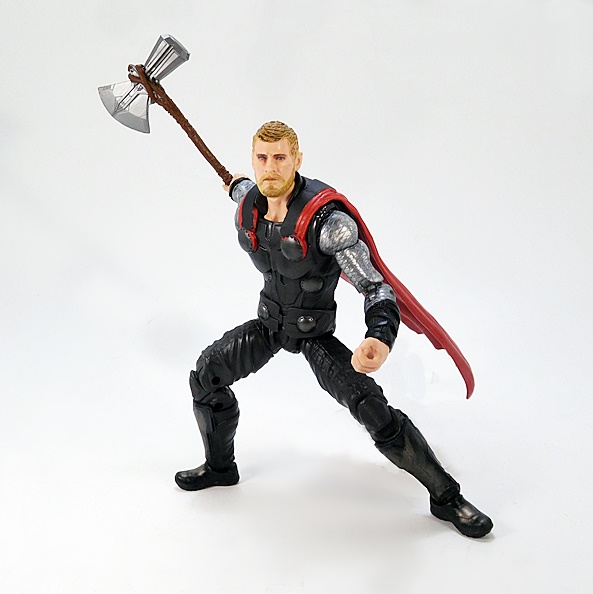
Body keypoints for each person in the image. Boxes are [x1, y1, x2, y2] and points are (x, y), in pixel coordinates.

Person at [175, 121, 493, 538]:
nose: (270, 168)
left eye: (280, 158)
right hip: (270, 325)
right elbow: (236, 185)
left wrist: (379, 336)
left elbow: (375, 286)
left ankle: (446, 497)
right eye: (262, 158)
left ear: (297, 160)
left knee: (372, 409)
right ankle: (220, 468)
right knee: (205, 377)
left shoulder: (327, 222)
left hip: (314, 333)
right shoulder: (250, 202)